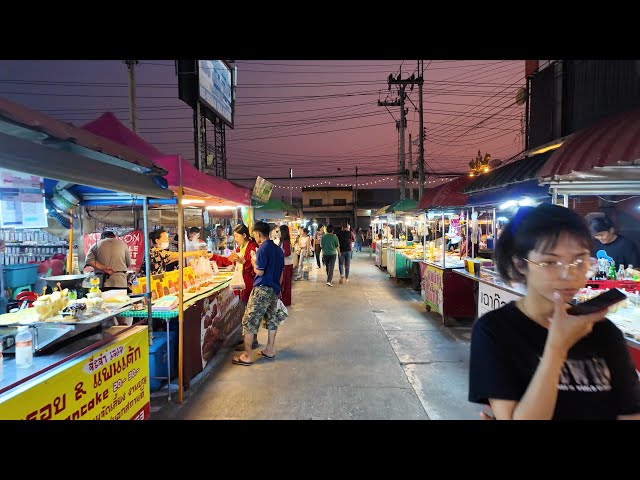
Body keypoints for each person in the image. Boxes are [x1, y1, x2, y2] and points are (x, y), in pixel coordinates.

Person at [468, 204, 640, 420]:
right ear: (520, 264)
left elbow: (630, 414)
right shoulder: (496, 331)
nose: (569, 275)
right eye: (550, 262)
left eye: (579, 260)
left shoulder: (605, 332)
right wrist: (556, 348)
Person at [232, 221, 285, 366]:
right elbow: (281, 273)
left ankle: (247, 356)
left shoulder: (262, 249)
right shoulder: (278, 249)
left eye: (254, 234)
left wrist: (254, 261)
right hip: (274, 289)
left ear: (258, 234)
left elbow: (259, 271)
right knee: (272, 320)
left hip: (262, 289)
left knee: (249, 321)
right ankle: (269, 350)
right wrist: (278, 289)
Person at [228, 224, 260, 351]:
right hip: (242, 285)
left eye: (237, 236)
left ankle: (253, 341)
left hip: (250, 285)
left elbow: (255, 270)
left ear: (244, 235)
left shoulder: (252, 247)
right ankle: (247, 337)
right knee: (244, 313)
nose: (235, 238)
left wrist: (244, 262)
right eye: (234, 236)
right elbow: (231, 259)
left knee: (249, 314)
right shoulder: (240, 247)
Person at [279, 225, 293, 306]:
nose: (278, 233)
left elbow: (287, 253)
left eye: (279, 231)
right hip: (285, 265)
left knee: (286, 284)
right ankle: (285, 300)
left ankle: (286, 301)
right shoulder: (284, 241)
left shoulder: (286, 241)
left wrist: (278, 255)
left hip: (287, 265)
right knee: (284, 283)